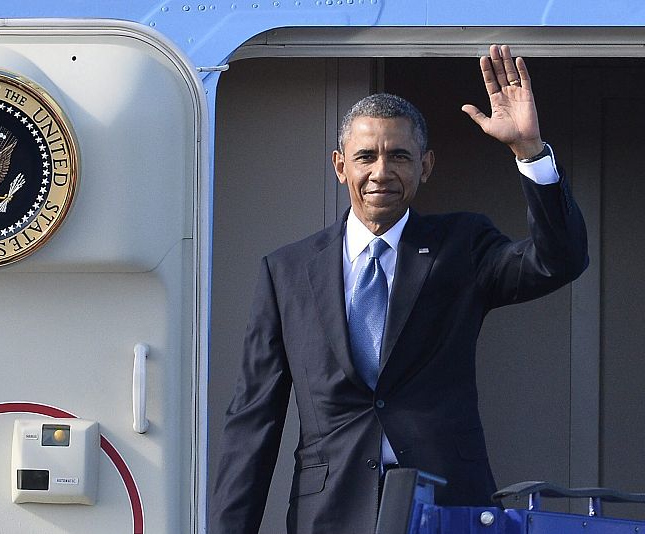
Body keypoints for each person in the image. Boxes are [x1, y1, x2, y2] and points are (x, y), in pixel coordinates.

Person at [209, 44, 588, 534]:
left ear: (425, 167)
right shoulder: (287, 271)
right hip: (329, 512)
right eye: (365, 156)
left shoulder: (461, 246)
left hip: (447, 506)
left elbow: (559, 261)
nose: (381, 172)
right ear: (340, 165)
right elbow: (254, 417)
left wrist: (530, 153)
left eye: (399, 157)